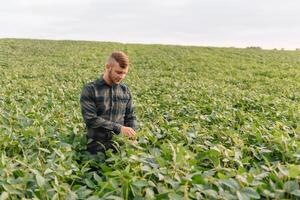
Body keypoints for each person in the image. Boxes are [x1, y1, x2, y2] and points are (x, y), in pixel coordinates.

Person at [80, 51, 137, 155]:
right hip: (95, 149)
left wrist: (132, 133)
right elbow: (91, 120)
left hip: (119, 147)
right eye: (119, 72)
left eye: (124, 73)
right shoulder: (91, 89)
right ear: (107, 67)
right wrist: (119, 128)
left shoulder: (125, 91)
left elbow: (130, 117)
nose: (122, 76)